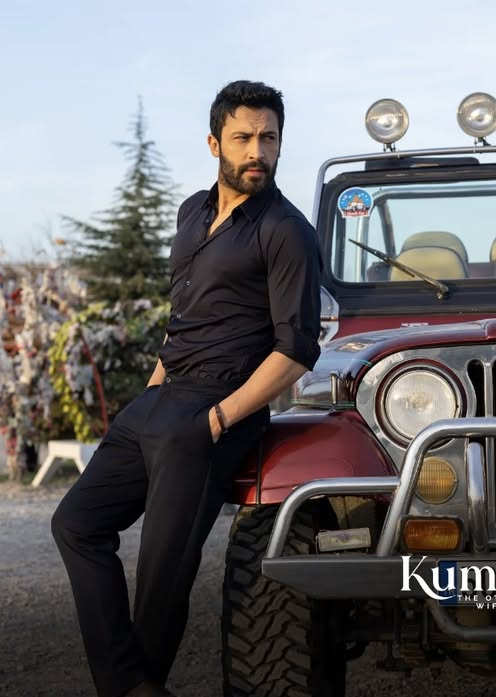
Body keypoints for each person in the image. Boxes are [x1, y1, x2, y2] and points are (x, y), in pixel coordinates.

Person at [51, 80, 322, 697]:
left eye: (269, 138)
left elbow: (296, 350)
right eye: (243, 137)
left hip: (215, 409)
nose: (257, 151)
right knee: (75, 524)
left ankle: (133, 686)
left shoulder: (286, 230)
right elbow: (185, 315)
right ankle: (130, 684)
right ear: (214, 142)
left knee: (161, 571)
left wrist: (218, 420)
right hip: (161, 396)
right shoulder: (192, 212)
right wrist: (151, 390)